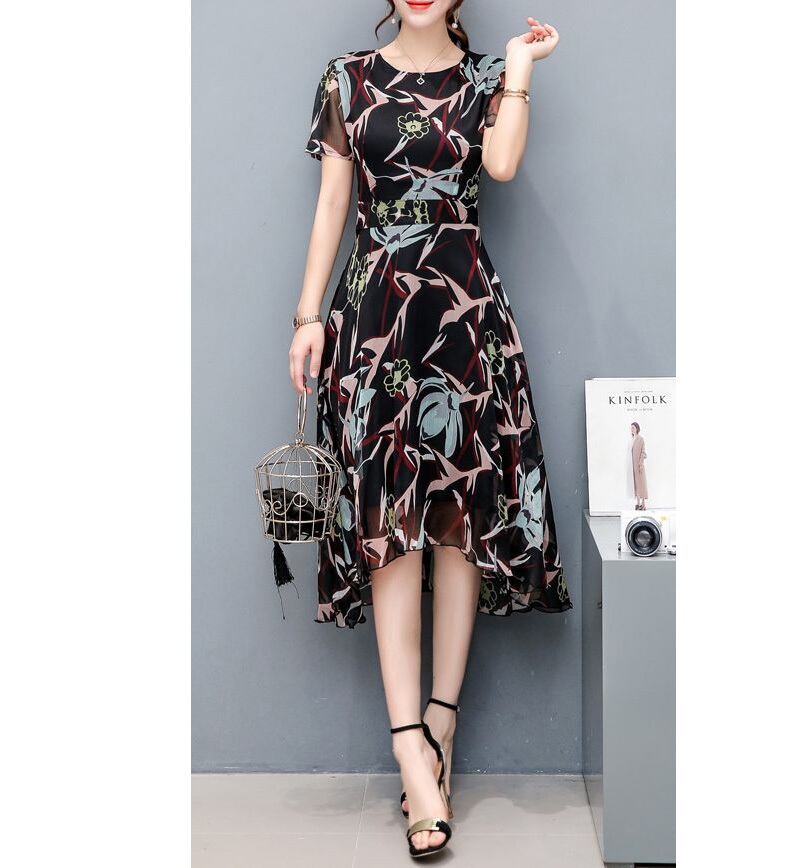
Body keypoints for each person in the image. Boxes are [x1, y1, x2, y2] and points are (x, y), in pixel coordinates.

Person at [289, 1, 571, 857]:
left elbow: (503, 164)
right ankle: (409, 746)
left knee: (459, 524)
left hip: (464, 318)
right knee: (391, 529)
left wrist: (517, 73)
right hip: (377, 321)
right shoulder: (348, 78)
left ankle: (441, 723)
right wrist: (308, 317)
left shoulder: (486, 78)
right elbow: (333, 203)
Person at [631, 422, 648, 509]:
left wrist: (640, 463)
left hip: (639, 466)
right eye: (631, 428)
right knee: (636, 485)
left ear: (637, 428)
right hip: (633, 466)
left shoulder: (641, 439)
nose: (631, 429)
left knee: (642, 484)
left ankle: (643, 504)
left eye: (633, 428)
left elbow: (643, 452)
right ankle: (638, 503)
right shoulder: (632, 439)